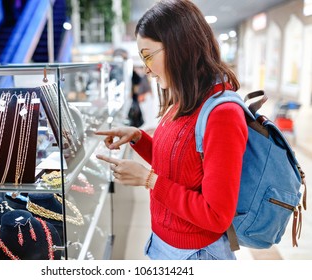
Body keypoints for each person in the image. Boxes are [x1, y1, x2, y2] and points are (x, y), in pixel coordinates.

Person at [95, 0, 248, 260]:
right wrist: (138, 138)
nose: (145, 68)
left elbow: (216, 215)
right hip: (164, 244)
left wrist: (148, 180)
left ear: (180, 46)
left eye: (148, 55)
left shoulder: (222, 114)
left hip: (197, 255)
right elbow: (178, 168)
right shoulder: (183, 100)